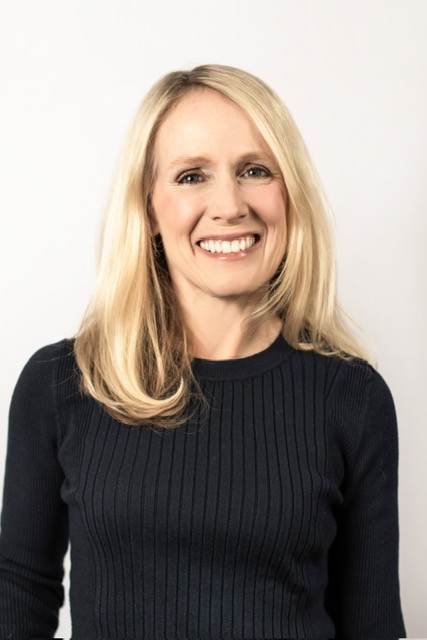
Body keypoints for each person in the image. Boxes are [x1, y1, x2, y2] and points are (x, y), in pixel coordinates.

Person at [0, 64, 406, 639]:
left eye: (255, 170)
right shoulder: (63, 383)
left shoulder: (353, 398)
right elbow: (19, 594)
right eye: (192, 176)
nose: (230, 204)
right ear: (149, 207)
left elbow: (373, 626)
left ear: (289, 193)